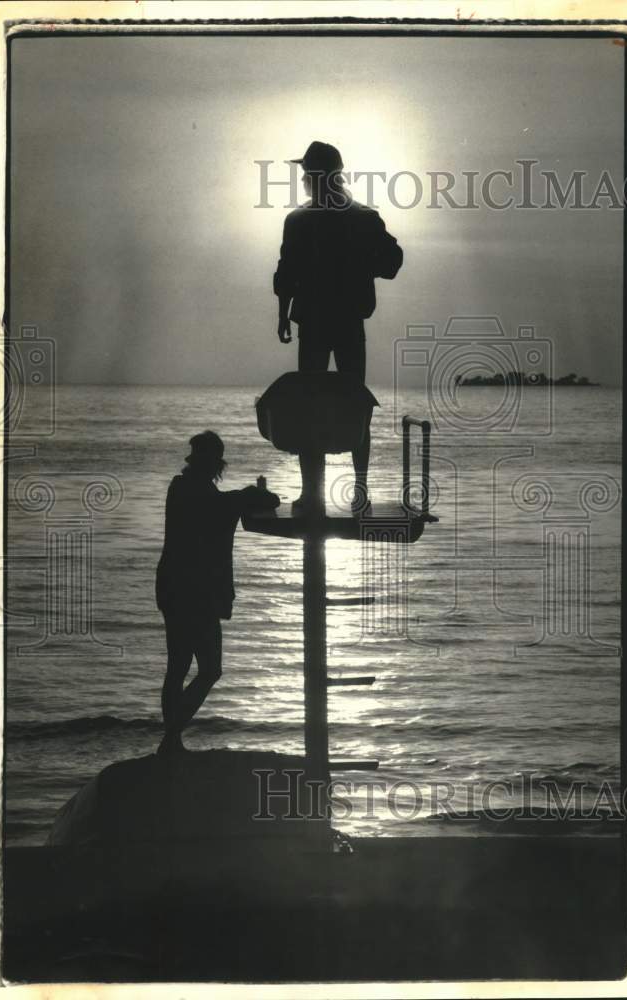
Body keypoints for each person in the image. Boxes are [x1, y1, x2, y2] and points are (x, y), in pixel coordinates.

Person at [273, 140, 403, 513]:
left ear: (316, 177)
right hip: (346, 323)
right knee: (355, 405)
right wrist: (364, 260)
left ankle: (313, 493)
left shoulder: (300, 220)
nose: (302, 180)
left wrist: (284, 315)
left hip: (316, 323)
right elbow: (392, 262)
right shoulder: (362, 217)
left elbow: (286, 274)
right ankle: (358, 492)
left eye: (305, 174)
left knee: (311, 406)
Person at [155, 431, 280, 754]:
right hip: (196, 593)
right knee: (210, 669)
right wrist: (252, 492)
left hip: (172, 587)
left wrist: (244, 495)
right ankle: (171, 735)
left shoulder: (178, 488)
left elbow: (222, 505)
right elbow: (262, 502)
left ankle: (172, 740)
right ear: (216, 464)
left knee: (178, 667)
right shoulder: (208, 498)